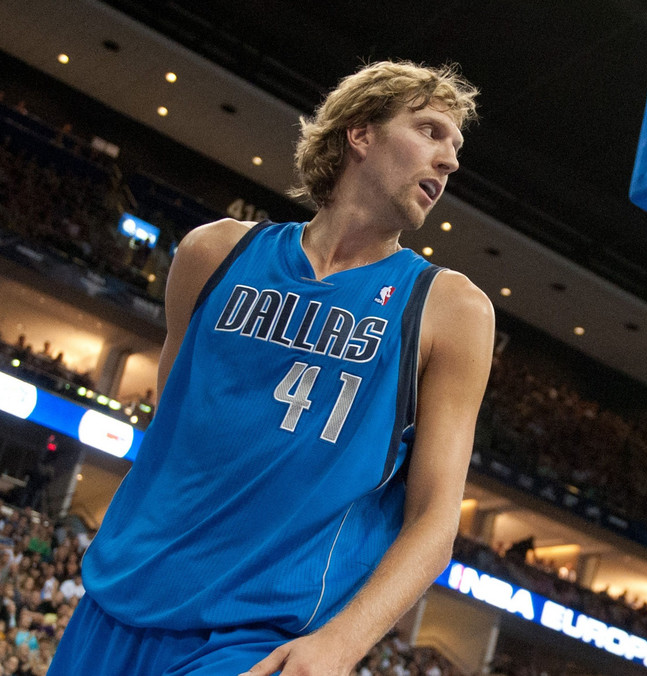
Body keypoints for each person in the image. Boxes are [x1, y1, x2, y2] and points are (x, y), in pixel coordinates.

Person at [47, 60, 493, 675]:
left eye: (456, 145)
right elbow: (173, 432)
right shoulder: (212, 254)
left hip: (254, 641)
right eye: (430, 131)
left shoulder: (451, 311)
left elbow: (434, 520)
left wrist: (339, 647)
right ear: (360, 133)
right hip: (117, 598)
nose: (450, 160)